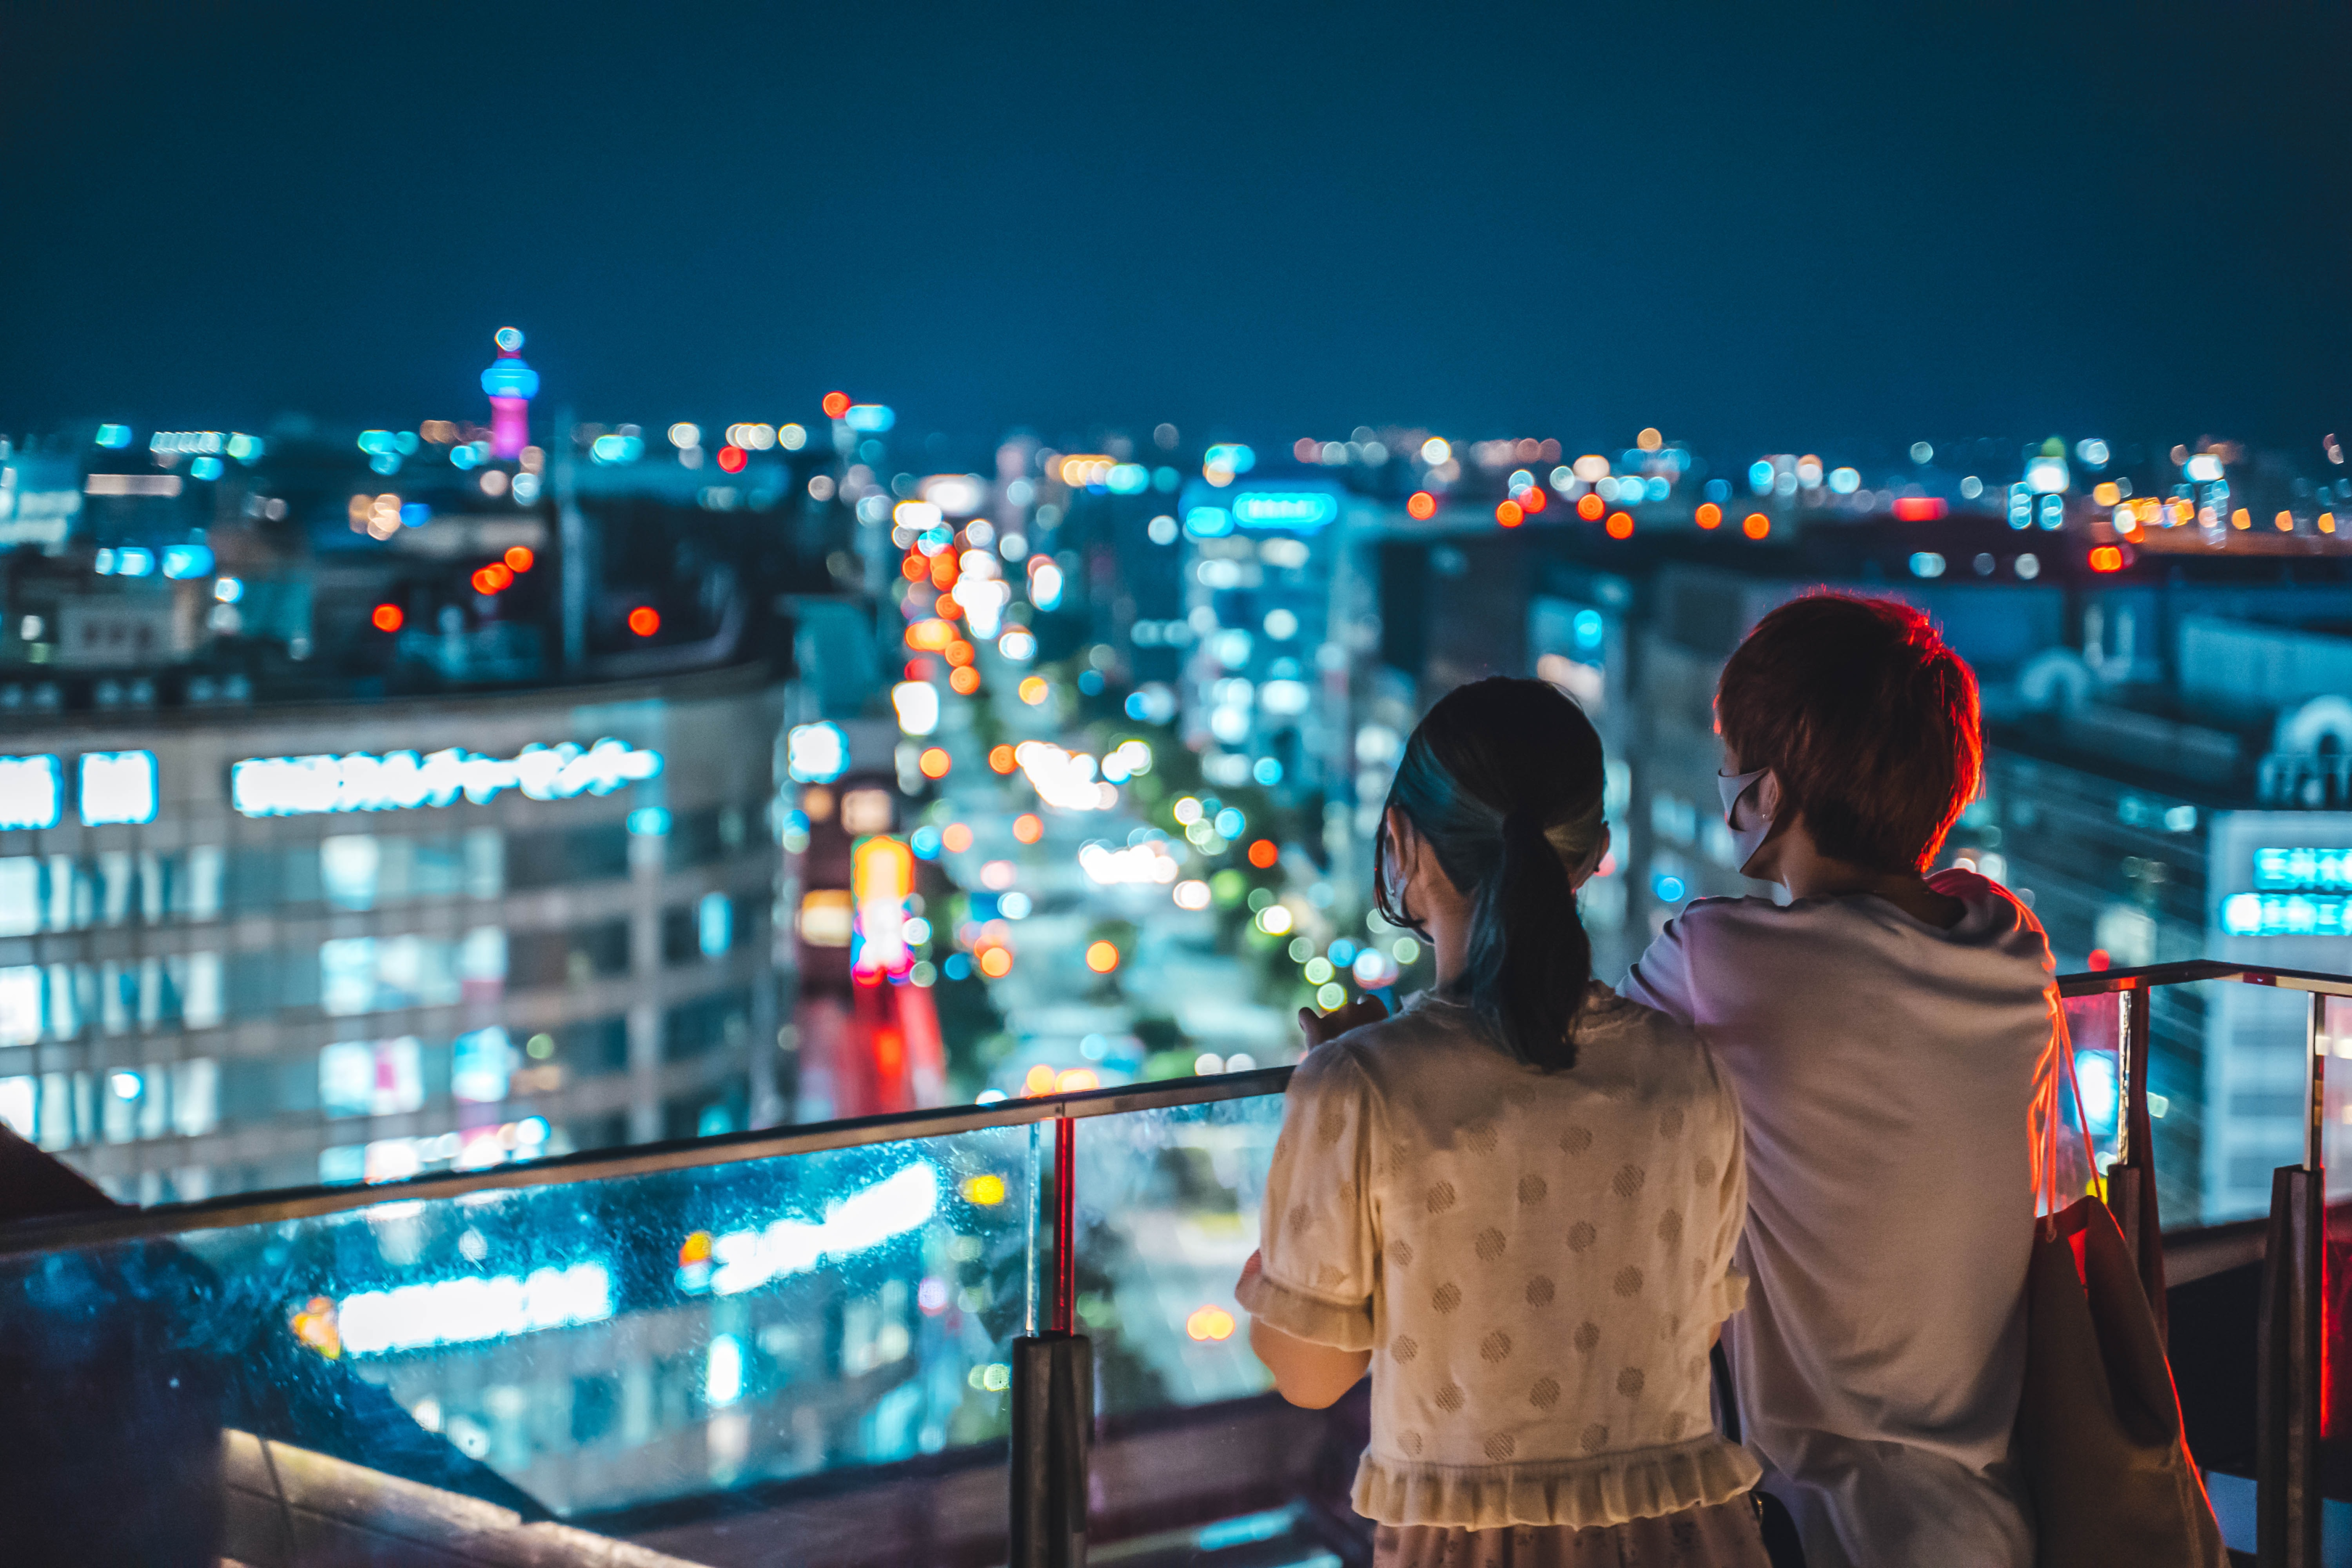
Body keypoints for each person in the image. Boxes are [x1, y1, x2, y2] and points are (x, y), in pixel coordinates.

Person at [1237, 677, 1770, 1568]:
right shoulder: (1688, 1069)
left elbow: (1307, 1372)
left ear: (1400, 844)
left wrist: (1327, 1103)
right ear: (1596, 853)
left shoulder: (1357, 1087)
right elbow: (1696, 1329)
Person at [1623, 592, 2054, 1568]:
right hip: (2000, 1519)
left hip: (1822, 1529)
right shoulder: (2008, 940)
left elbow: (1552, 1061)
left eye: (1733, 755)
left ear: (1767, 793)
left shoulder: (1722, 958)